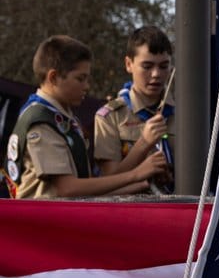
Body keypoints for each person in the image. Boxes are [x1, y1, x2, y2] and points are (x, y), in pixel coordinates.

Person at [6, 36, 166, 199]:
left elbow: (85, 189)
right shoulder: (42, 122)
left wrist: (142, 184)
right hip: (41, 221)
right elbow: (67, 189)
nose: (87, 86)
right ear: (53, 77)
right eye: (80, 79)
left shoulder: (64, 118)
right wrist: (136, 174)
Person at [93, 26, 177, 193]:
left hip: (183, 208)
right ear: (129, 64)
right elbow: (107, 184)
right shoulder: (110, 117)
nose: (156, 74)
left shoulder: (184, 115)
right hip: (130, 211)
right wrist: (143, 144)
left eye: (163, 66)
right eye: (147, 66)